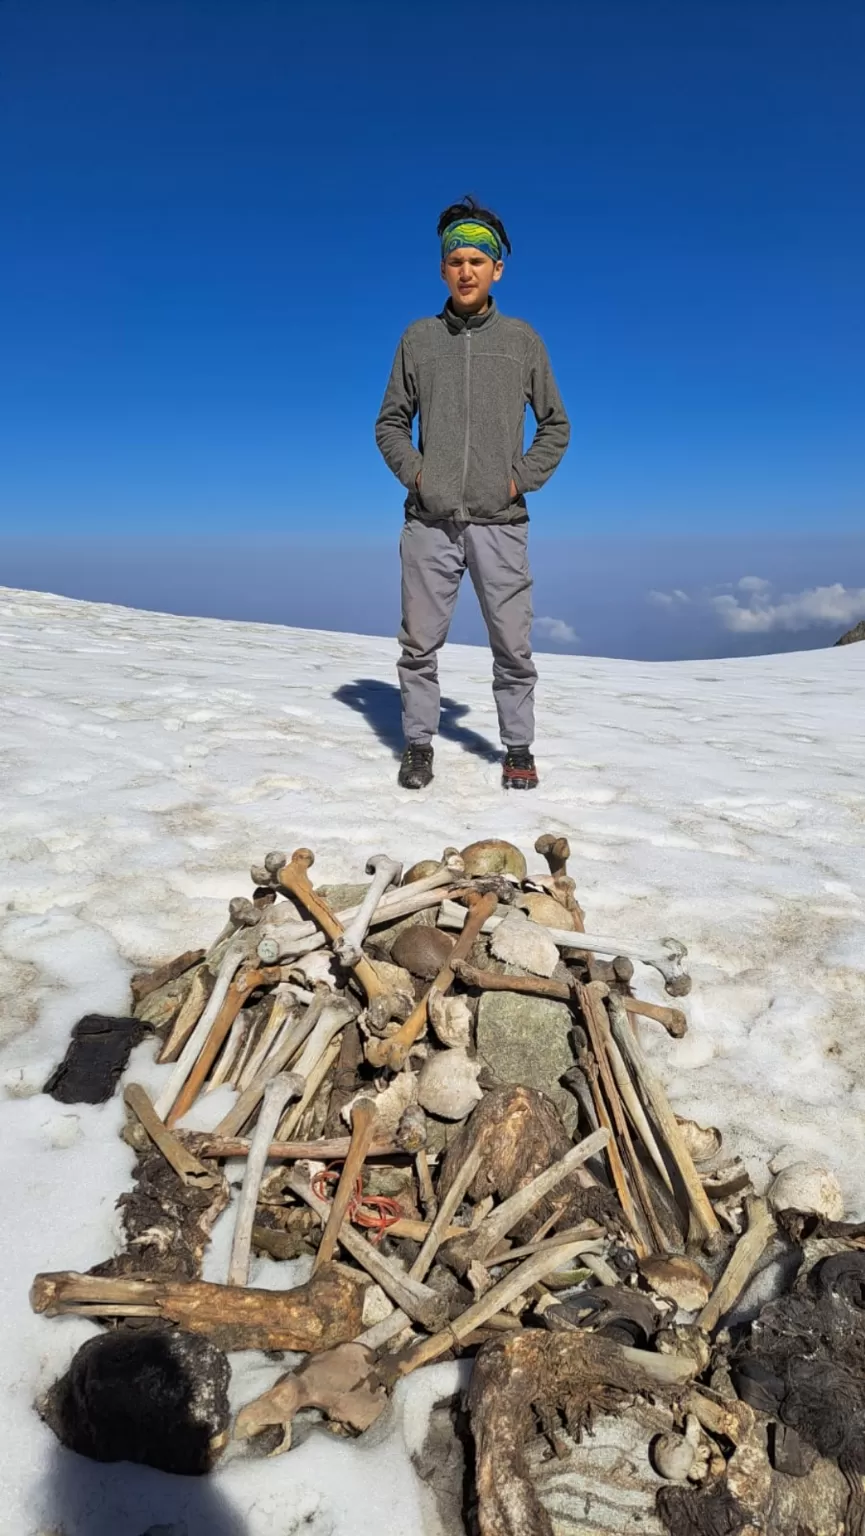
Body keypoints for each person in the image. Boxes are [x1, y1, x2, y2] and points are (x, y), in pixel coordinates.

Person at [375, 196, 570, 791]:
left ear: (497, 270)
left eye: (477, 260)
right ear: (442, 269)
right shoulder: (419, 338)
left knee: (513, 645)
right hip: (429, 522)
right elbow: (389, 423)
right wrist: (418, 475)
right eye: (455, 260)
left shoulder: (521, 340)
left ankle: (517, 747)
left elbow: (555, 424)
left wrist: (518, 478)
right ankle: (417, 746)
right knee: (418, 645)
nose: (466, 271)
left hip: (500, 520)